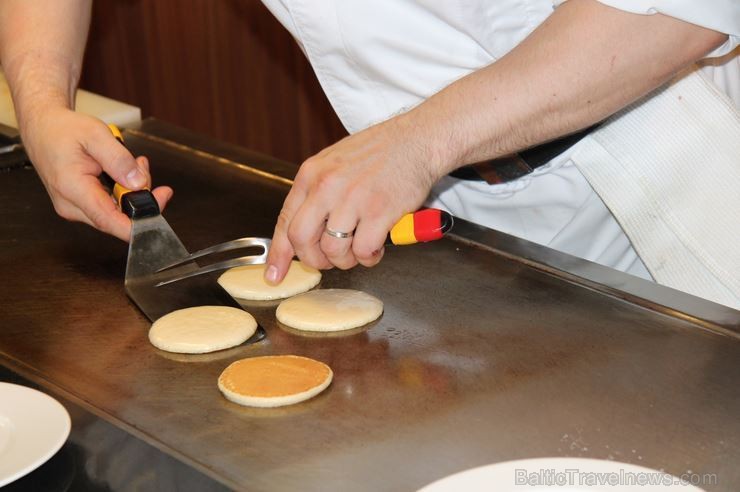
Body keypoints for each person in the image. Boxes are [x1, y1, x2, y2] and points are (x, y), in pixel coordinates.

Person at [1, 1, 738, 307]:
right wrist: (39, 103)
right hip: (439, 210)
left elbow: (684, 10)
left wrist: (420, 140)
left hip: (677, 157)